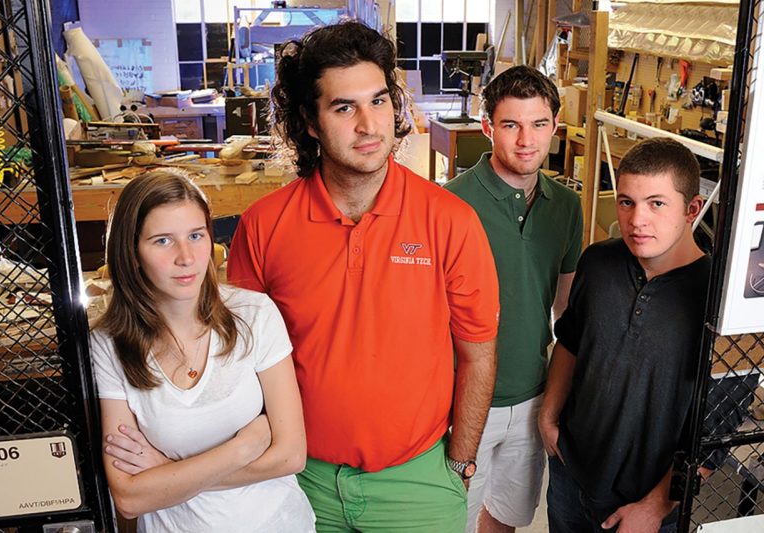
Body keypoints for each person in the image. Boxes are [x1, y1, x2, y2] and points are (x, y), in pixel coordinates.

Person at [226, 21, 499, 532]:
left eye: (378, 101)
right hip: (297, 478)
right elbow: (242, 362)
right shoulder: (263, 226)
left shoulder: (450, 221)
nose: (369, 126)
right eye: (344, 107)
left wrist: (460, 462)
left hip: (417, 481)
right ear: (309, 121)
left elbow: (478, 351)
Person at [90, 170, 315, 532]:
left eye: (196, 236)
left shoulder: (254, 315)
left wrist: (165, 476)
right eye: (162, 241)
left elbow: (290, 456)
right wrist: (243, 447)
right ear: (131, 253)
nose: (186, 257)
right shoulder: (108, 344)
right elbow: (130, 498)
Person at [538, 137, 711, 533]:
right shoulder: (598, 262)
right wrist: (549, 415)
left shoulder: (714, 298)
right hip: (570, 476)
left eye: (657, 203)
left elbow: (716, 427)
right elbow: (571, 340)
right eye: (627, 202)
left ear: (692, 209)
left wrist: (655, 506)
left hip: (646, 504)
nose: (637, 220)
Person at [445, 65, 583, 533]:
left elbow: (566, 311)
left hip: (532, 394)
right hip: (459, 401)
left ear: (555, 128)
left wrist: (559, 400)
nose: (527, 139)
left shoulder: (566, 205)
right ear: (488, 128)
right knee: (452, 521)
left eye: (539, 124)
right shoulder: (450, 205)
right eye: (511, 124)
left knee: (506, 518)